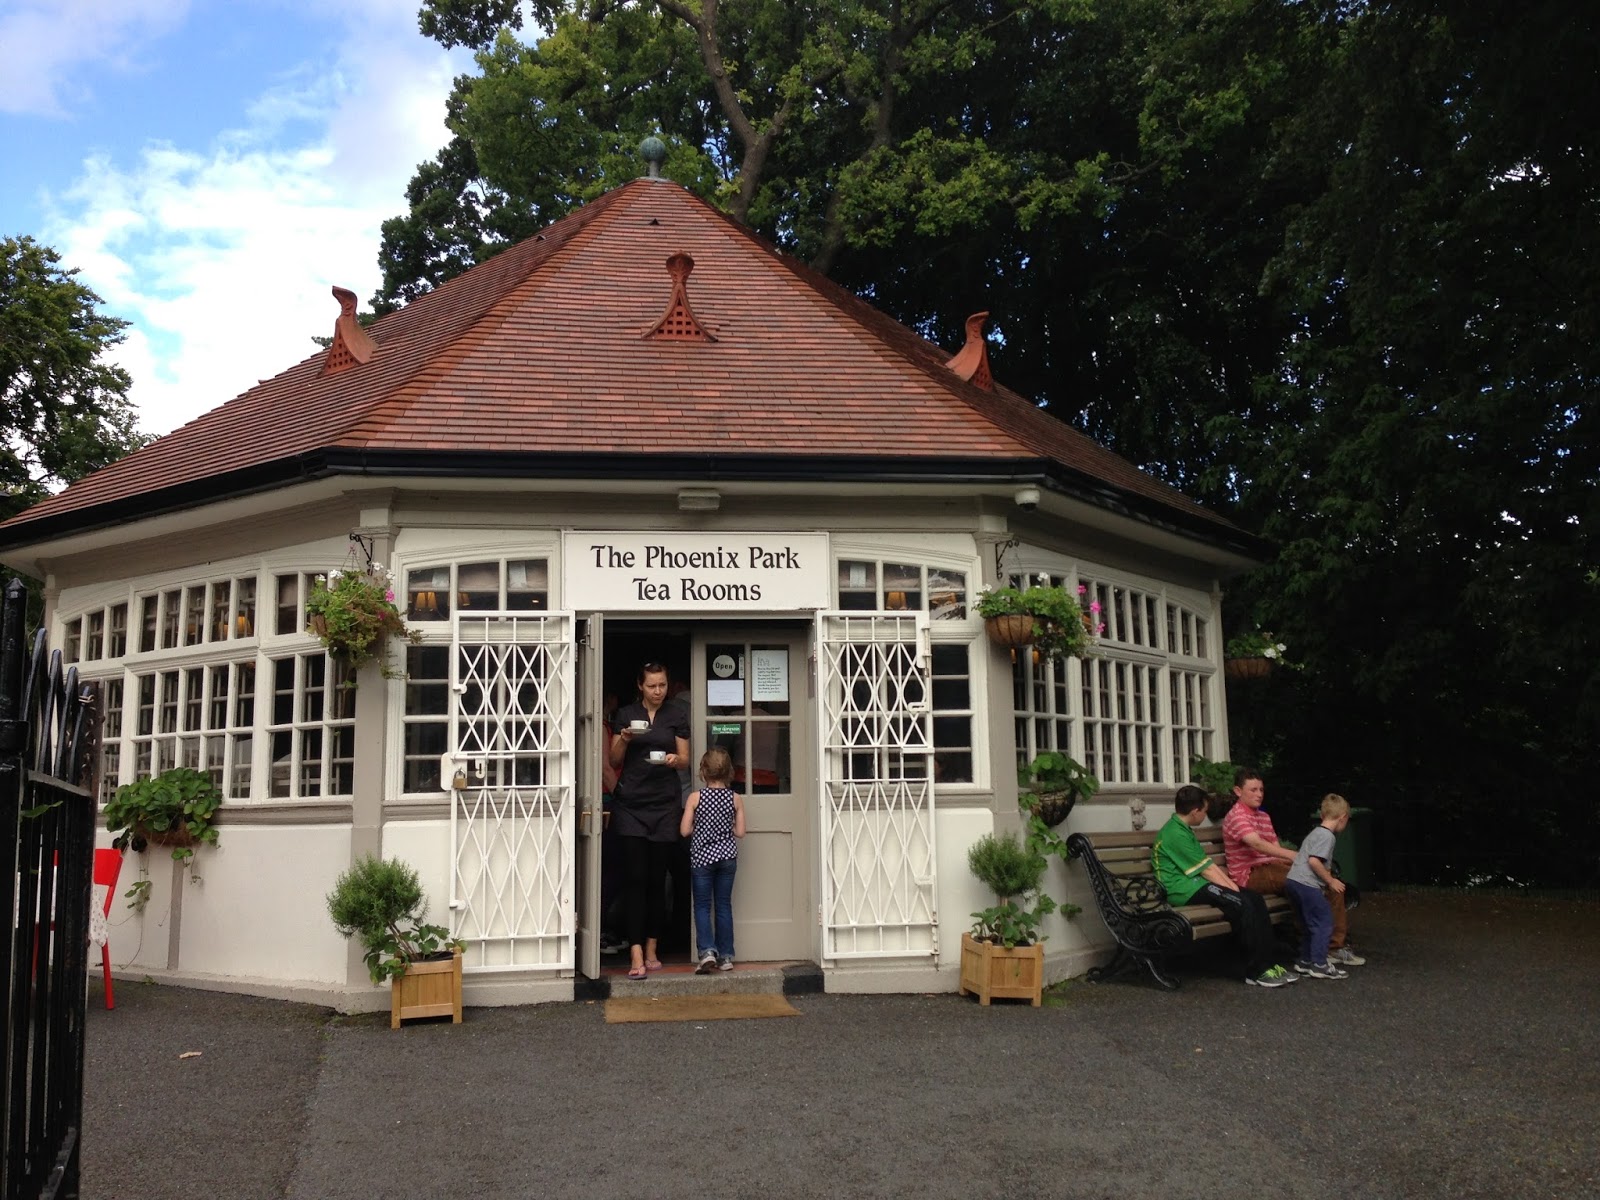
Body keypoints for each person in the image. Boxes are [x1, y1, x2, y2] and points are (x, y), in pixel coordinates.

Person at [1152, 784, 1297, 988]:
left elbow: (1207, 865)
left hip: (1195, 885)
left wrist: (1234, 888)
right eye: (1204, 811)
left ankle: (1268, 964)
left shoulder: (1182, 828)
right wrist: (1234, 890)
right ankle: (1256, 971)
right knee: (1242, 903)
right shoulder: (1174, 833)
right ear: (1195, 812)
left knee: (1253, 898)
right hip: (1181, 890)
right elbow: (1208, 871)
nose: (1205, 815)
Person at [1222, 768, 1364, 966]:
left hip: (1270, 868)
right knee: (1312, 881)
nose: (1259, 794)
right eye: (1253, 790)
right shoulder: (1237, 816)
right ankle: (1327, 947)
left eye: (1261, 789)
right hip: (1250, 875)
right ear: (1238, 791)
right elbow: (1258, 845)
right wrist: (1297, 857)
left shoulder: (1262, 816)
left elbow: (1274, 848)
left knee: (1326, 882)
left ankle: (1332, 945)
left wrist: (1297, 862)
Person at [608, 662, 691, 980]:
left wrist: (674, 760)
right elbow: (614, 760)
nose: (658, 691)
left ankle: (653, 946)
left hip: (665, 805)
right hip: (631, 805)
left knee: (658, 879)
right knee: (636, 878)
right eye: (652, 686)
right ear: (640, 686)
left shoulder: (676, 716)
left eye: (663, 685)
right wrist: (625, 739)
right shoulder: (626, 714)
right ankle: (636, 950)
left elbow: (685, 758)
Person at [680, 747, 745, 973]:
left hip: (702, 859)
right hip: (727, 857)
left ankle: (707, 951)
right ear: (728, 772)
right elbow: (740, 832)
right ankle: (726, 956)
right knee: (724, 905)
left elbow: (684, 830)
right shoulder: (734, 798)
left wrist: (702, 826)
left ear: (703, 771)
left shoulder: (695, 798)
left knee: (702, 905)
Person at [1285, 794, 1353, 979]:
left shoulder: (1315, 832)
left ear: (1323, 816)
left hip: (1293, 882)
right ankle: (1319, 964)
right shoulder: (1327, 836)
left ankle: (1305, 961)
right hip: (1307, 884)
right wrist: (1330, 881)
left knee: (1309, 923)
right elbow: (1315, 862)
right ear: (1343, 817)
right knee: (1323, 922)